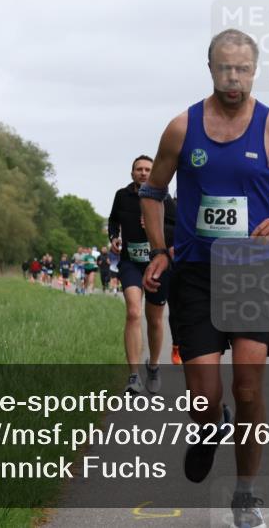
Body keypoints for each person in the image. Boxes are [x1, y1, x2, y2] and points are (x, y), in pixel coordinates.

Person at [140, 29, 269, 527]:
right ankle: (206, 427)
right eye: (225, 69)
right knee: (205, 399)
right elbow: (153, 191)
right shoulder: (182, 128)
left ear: (254, 70)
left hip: (252, 273)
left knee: (247, 387)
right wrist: (159, 250)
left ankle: (246, 494)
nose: (234, 78)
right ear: (210, 69)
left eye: (242, 69)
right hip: (196, 274)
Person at [109, 155, 179, 395]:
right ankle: (133, 375)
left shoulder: (164, 198)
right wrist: (114, 238)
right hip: (131, 263)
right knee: (133, 312)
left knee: (155, 319)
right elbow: (113, 221)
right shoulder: (122, 195)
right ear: (132, 174)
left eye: (148, 169)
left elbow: (177, 228)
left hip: (157, 264)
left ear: (153, 173)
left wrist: (153, 225)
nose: (143, 172)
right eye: (138, 169)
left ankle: (154, 365)